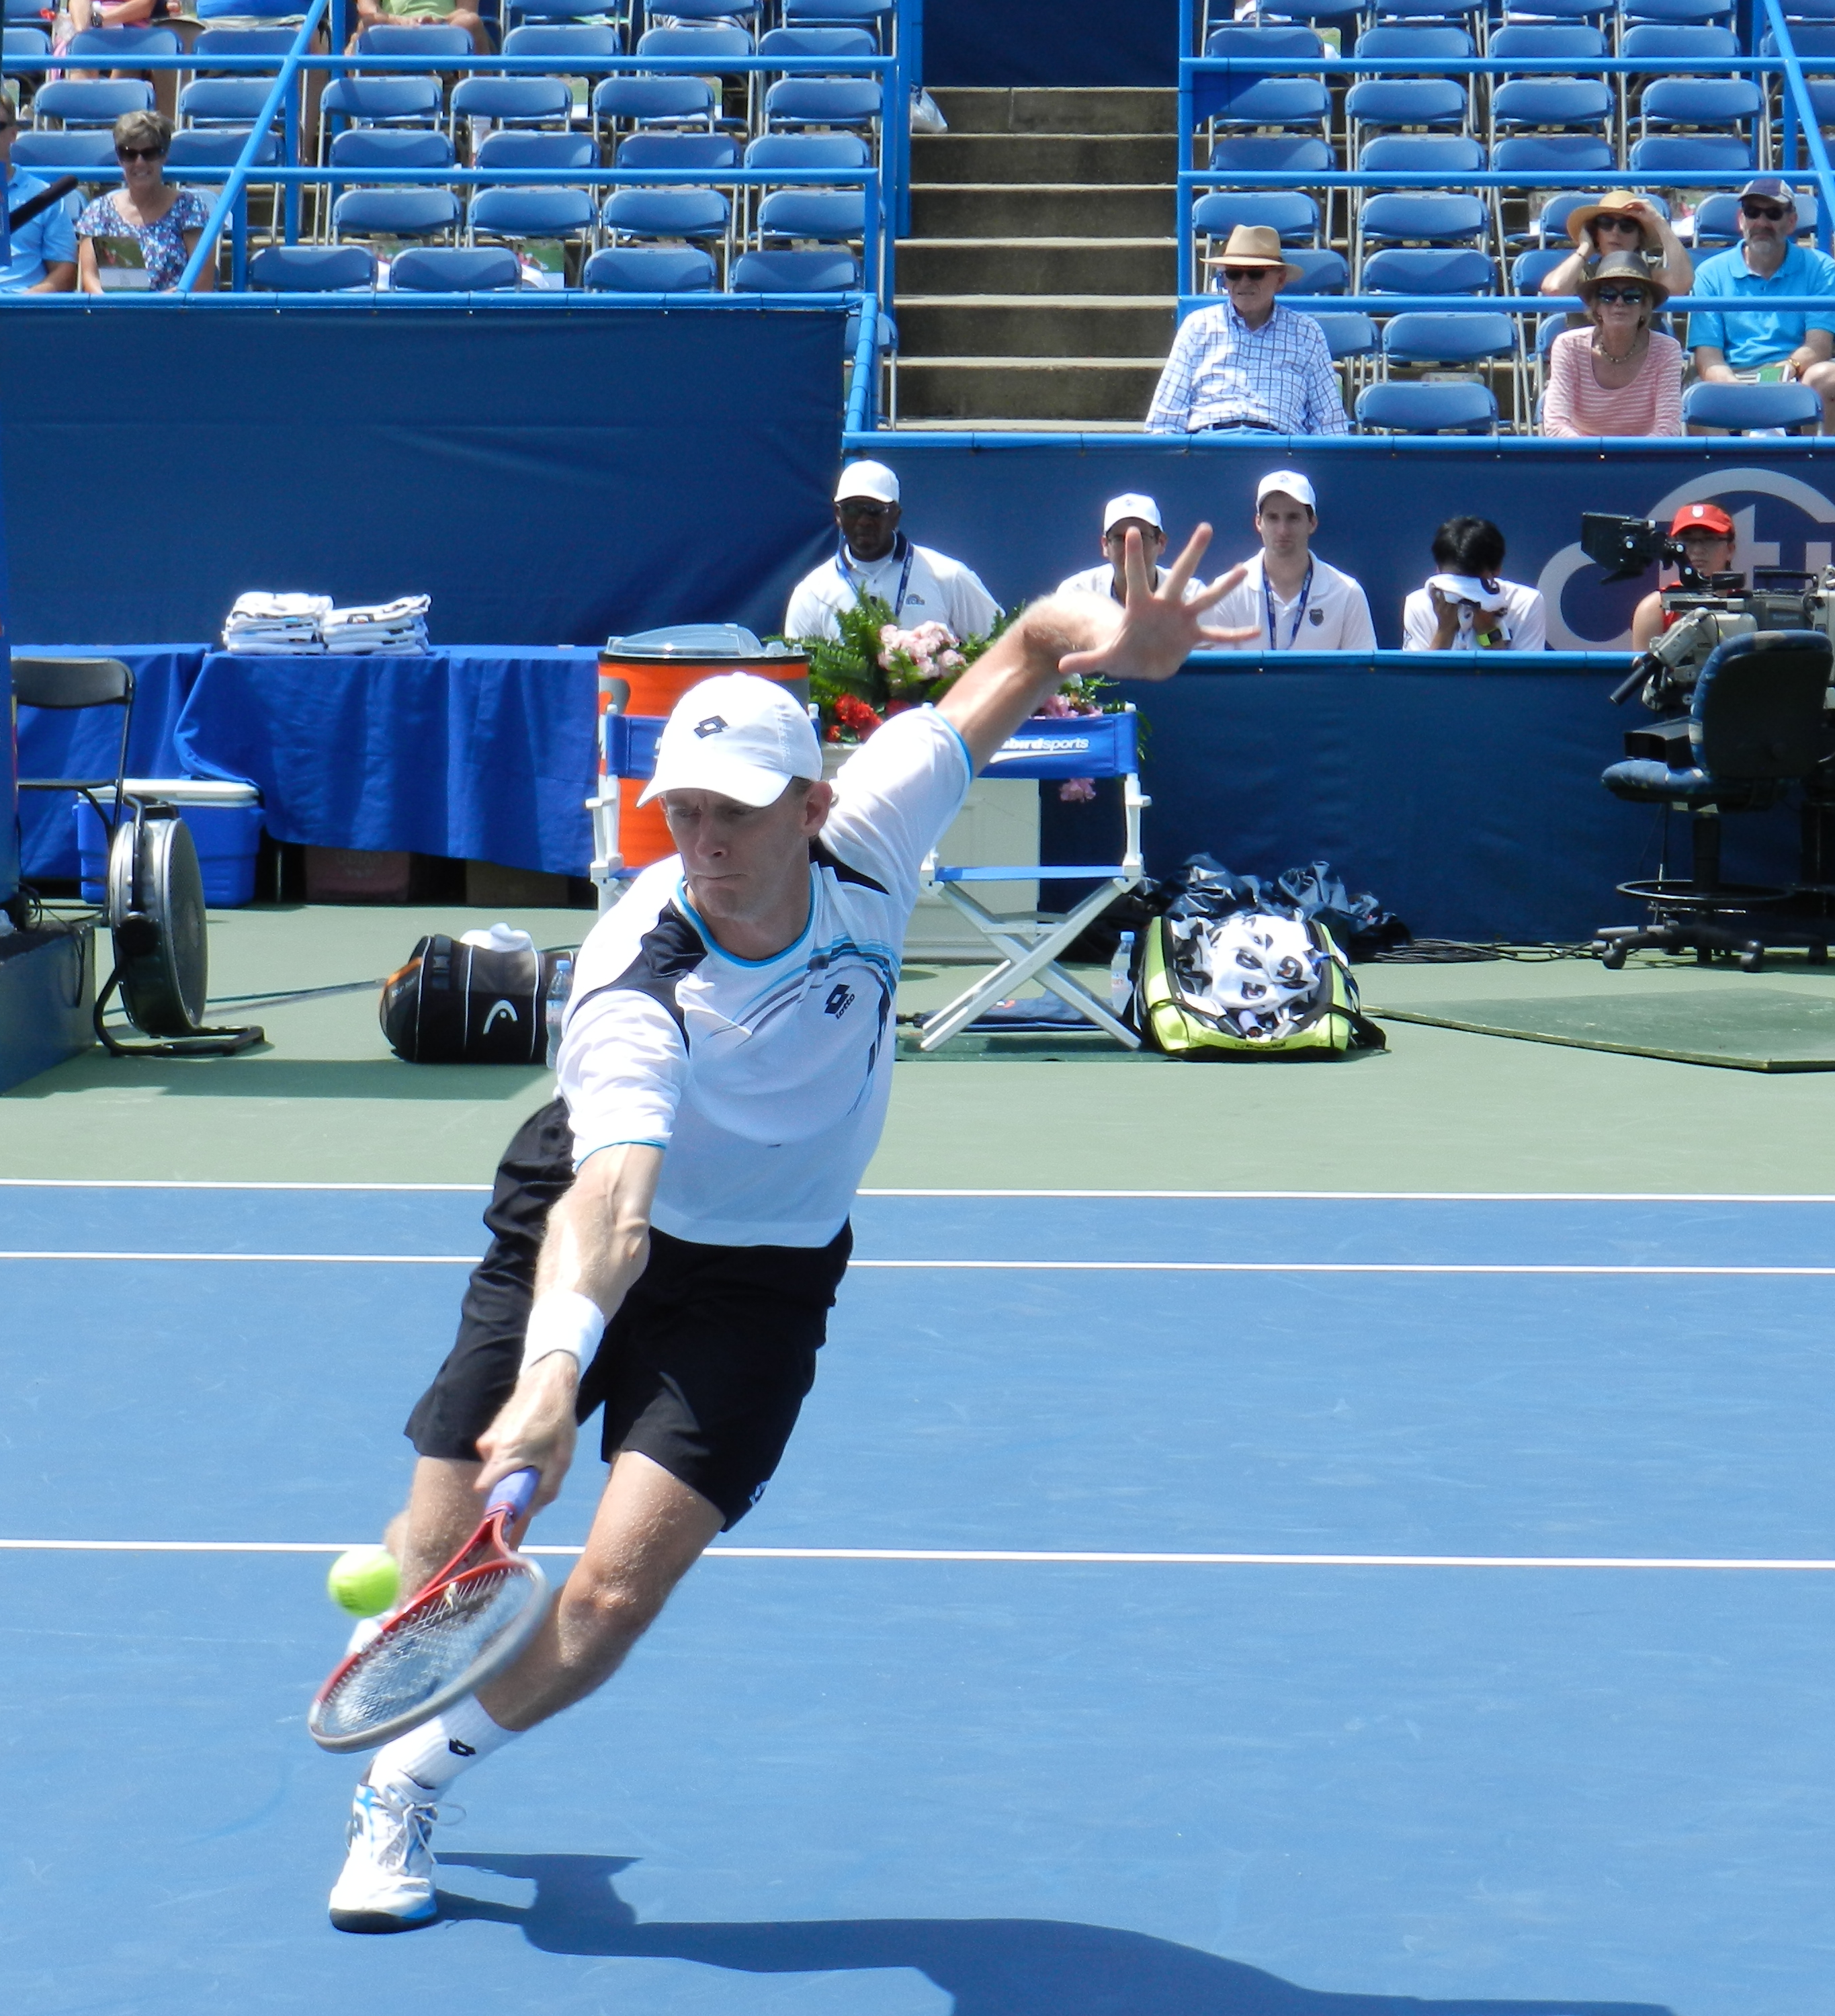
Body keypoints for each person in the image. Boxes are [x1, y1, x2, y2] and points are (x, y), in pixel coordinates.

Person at [324, 524, 1256, 1937]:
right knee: (442, 1558)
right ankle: (420, 1582)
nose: (701, 844)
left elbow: (1014, 653)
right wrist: (548, 1382)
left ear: (811, 807)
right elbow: (610, 1198)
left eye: (734, 814)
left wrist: (1106, 642)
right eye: (679, 811)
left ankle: (409, 1776)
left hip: (765, 1271)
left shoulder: (876, 830)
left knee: (616, 1590)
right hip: (591, 1218)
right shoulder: (638, 972)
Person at [1144, 224, 1347, 437]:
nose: (1244, 282)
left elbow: (1330, 425)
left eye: (1256, 274)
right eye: (1233, 274)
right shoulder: (1198, 327)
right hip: (1208, 450)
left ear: (1280, 280)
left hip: (1279, 453)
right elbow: (1163, 421)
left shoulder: (1307, 333)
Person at [1687, 179, 1835, 435]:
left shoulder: (1820, 267)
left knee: (1829, 376)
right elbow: (1709, 359)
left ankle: (1809, 468)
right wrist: (1741, 395)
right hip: (1733, 380)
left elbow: (1819, 346)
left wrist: (1789, 367)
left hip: (1794, 376)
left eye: (1773, 214)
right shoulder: (1710, 273)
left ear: (1792, 222)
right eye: (1753, 213)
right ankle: (1727, 474)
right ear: (1741, 220)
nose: (1762, 223)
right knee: (1699, 396)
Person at [781, 460, 1000, 644]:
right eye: (852, 509)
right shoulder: (812, 593)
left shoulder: (948, 576)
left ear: (896, 515)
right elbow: (801, 678)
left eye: (875, 510)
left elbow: (999, 644)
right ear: (838, 515)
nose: (864, 520)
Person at [1201, 469, 1377, 652]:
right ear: (1258, 523)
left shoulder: (1348, 593)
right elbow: (1219, 677)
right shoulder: (1226, 591)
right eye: (1273, 518)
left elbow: (1363, 677)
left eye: (1293, 518)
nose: (1283, 530)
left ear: (1312, 524)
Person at [1541, 255, 1685, 439]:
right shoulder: (1568, 346)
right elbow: (1555, 423)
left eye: (1632, 296)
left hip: (1643, 461)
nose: (1619, 302)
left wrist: (1625, 460)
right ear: (1597, 307)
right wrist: (1595, 456)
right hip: (1581, 459)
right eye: (1608, 295)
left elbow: (1668, 429)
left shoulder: (1667, 350)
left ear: (1645, 306)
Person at [75, 108, 206, 293]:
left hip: (175, 316)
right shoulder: (99, 212)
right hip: (115, 317)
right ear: (120, 159)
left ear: (164, 155)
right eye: (129, 154)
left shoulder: (189, 208)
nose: (139, 162)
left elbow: (202, 281)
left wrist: (153, 307)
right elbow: (90, 278)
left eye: (150, 153)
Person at [0, 85, 79, 294]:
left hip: (24, 308)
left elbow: (64, 270)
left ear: (13, 134)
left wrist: (24, 302)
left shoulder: (44, 195)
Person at [1400, 517, 1546, 652]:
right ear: (1438, 570)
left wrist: (1487, 630)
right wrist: (1444, 631)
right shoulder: (1418, 604)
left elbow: (1520, 679)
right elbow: (1421, 679)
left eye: (1472, 585)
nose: (1462, 596)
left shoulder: (1526, 604)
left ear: (1496, 571)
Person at [1535, 193, 1694, 306]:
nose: (1615, 232)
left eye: (1627, 226)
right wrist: (1585, 247)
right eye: (1606, 223)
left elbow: (1683, 282)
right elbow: (1554, 289)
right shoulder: (1581, 275)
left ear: (1640, 237)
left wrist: (1659, 222)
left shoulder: (1651, 275)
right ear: (1595, 233)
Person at [1053, 493, 1204, 604]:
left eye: (1140, 537)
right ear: (1105, 545)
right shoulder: (1076, 593)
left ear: (1161, 543)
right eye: (1120, 539)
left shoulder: (1192, 595)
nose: (1131, 548)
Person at [1629, 501, 1738, 650]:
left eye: (1710, 539)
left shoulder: (1751, 606)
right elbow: (1645, 672)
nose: (1698, 550)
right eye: (1687, 540)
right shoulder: (1654, 610)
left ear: (1730, 550)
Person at [355, 0, 493, 52]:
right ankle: (374, 107)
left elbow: (467, 9)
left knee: (470, 21)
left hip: (446, 27)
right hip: (393, 27)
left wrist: (439, 21)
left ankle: (478, 112)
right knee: (368, 25)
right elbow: (368, 8)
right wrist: (401, 21)